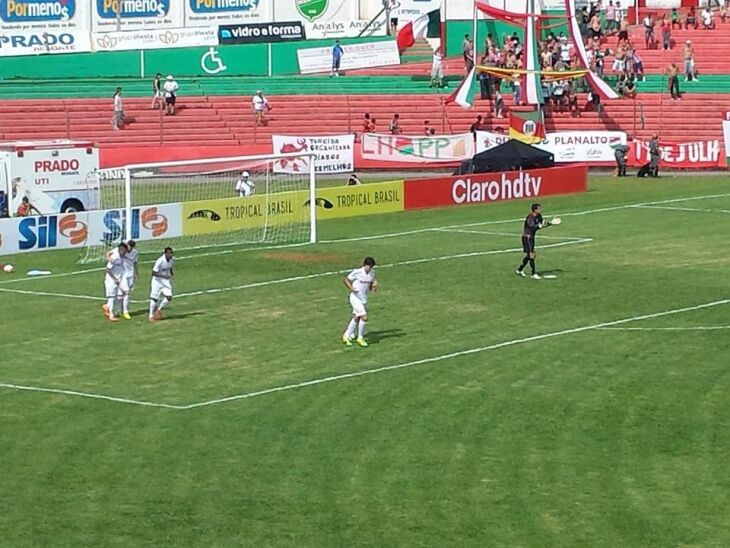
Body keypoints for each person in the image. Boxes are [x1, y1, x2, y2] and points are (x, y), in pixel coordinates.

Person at [342, 256, 377, 347]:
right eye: (368, 266)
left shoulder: (372, 273)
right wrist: (351, 288)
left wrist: (373, 287)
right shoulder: (357, 272)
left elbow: (369, 286)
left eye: (371, 267)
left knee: (356, 317)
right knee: (364, 317)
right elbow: (346, 279)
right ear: (365, 265)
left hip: (363, 299)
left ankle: (346, 335)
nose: (369, 269)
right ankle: (360, 338)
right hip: (355, 298)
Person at [515, 204, 554, 280]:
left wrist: (550, 223)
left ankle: (519, 270)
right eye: (539, 209)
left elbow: (543, 224)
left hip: (531, 238)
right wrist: (540, 226)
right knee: (532, 255)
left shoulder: (539, 216)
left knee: (530, 255)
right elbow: (532, 228)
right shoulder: (530, 217)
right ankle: (533, 273)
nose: (540, 210)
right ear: (535, 210)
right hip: (527, 237)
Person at [102, 242, 128, 322]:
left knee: (119, 295)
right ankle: (111, 315)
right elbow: (108, 269)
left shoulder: (119, 253)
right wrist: (114, 279)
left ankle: (107, 307)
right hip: (111, 280)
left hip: (118, 279)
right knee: (112, 298)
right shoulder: (115, 257)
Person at [149, 247, 175, 322]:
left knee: (169, 297)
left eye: (172, 253)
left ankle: (159, 309)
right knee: (154, 298)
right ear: (165, 253)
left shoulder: (172, 260)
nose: (171, 255)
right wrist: (164, 276)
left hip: (165, 281)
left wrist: (172, 274)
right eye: (169, 253)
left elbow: (170, 267)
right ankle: (150, 315)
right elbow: (153, 273)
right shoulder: (160, 261)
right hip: (157, 282)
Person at [120, 239, 138, 320]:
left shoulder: (135, 253)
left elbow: (135, 263)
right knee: (126, 292)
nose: (129, 248)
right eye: (128, 246)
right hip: (122, 274)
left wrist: (136, 273)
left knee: (124, 294)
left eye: (131, 247)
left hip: (130, 274)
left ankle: (117, 309)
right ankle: (125, 311)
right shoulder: (123, 251)